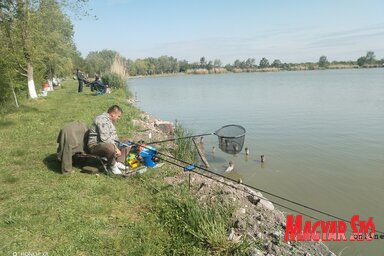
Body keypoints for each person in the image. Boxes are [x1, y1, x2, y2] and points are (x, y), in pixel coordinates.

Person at [87, 105, 130, 174]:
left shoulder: (109, 120)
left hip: (106, 144)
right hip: (95, 146)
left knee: (128, 143)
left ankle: (118, 162)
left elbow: (112, 137)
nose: (119, 118)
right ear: (112, 114)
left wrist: (120, 144)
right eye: (118, 116)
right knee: (111, 147)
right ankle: (112, 166)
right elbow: (105, 139)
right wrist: (116, 148)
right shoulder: (101, 119)